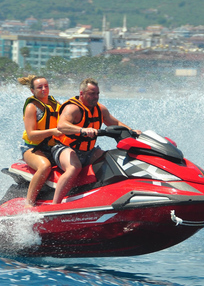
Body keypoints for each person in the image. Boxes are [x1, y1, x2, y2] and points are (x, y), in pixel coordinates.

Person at [50, 78, 138, 204]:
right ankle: (55, 204)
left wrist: (132, 131)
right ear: (82, 94)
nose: (95, 97)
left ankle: (106, 197)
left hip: (88, 151)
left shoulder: (100, 109)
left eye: (97, 94)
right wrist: (82, 130)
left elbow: (116, 123)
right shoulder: (72, 108)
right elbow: (61, 126)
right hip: (64, 148)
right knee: (74, 168)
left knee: (111, 159)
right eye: (92, 94)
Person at [18, 75, 61, 207]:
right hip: (32, 148)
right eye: (40, 87)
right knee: (45, 166)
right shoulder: (32, 107)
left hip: (53, 147)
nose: (44, 89)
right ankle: (29, 203)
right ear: (32, 91)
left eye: (46, 86)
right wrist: (52, 132)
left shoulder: (56, 104)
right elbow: (31, 135)